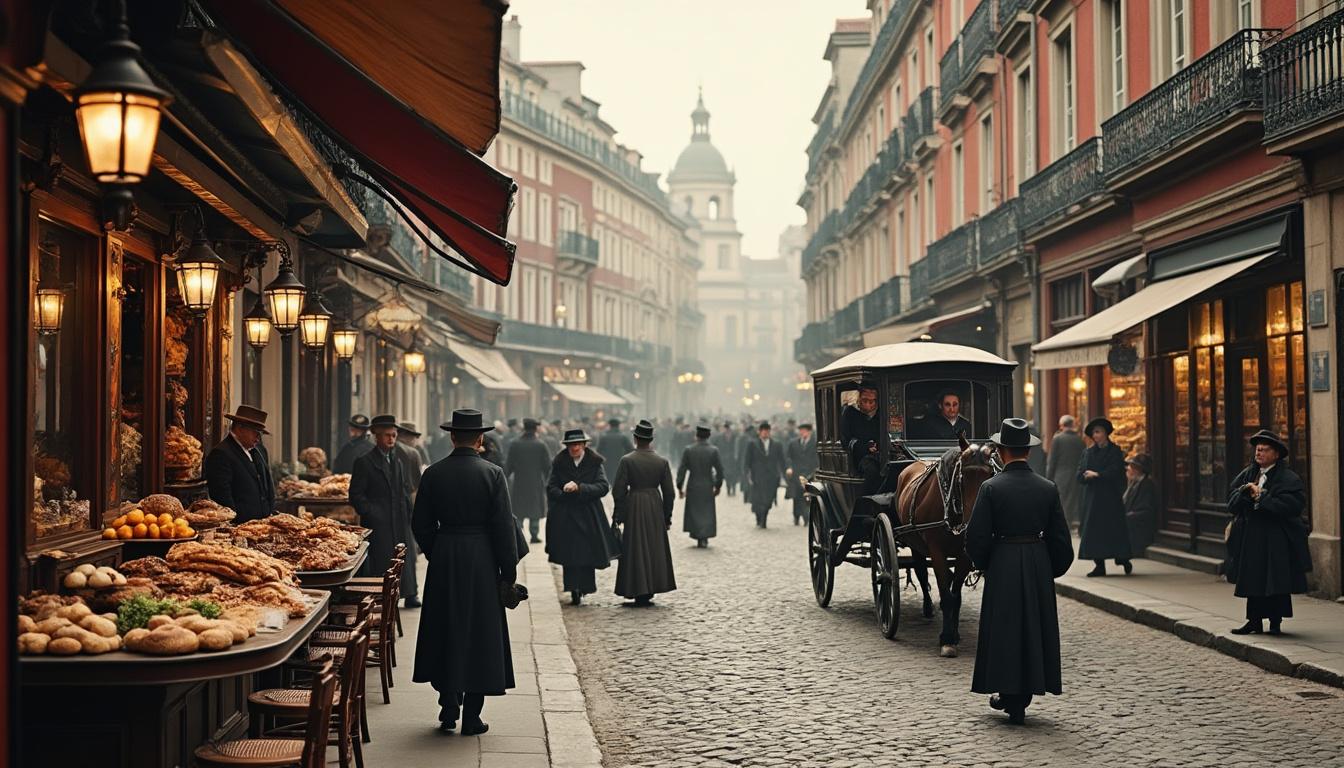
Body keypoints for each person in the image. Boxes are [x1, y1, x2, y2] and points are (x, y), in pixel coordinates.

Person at [411, 409, 519, 735]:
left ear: (453, 437)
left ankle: (448, 706)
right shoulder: (493, 474)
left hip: (446, 556)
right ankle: (472, 716)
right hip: (482, 559)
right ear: (481, 439)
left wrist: (438, 550)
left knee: (445, 628)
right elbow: (503, 527)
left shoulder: (434, 473)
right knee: (479, 634)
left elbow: (420, 524)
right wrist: (508, 572)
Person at [965, 418, 1074, 726]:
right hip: (1037, 559)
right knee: (1033, 627)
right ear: (1028, 450)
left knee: (1004, 628)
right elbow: (1061, 540)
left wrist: (986, 563)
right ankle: (1024, 692)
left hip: (1003, 559)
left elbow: (976, 537)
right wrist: (1049, 568)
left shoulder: (990, 488)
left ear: (1001, 451)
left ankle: (1008, 692)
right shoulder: (1047, 488)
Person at [1225, 430, 1310, 636]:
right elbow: (1232, 501)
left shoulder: (1288, 478)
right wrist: (1246, 493)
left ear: (1276, 454)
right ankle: (1253, 621)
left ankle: (1275, 621)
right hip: (1251, 536)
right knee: (1253, 577)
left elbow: (1292, 506)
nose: (1259, 452)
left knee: (1275, 579)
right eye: (1257, 449)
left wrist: (1261, 498)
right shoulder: (1248, 474)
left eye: (1264, 449)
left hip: (1275, 537)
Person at [545, 429, 619, 606]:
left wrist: (580, 488)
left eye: (578, 444)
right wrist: (563, 493)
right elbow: (551, 487)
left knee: (587, 550)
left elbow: (603, 487)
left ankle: (585, 586)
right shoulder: (559, 462)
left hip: (588, 514)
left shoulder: (594, 463)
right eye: (571, 445)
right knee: (569, 551)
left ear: (584, 445)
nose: (574, 448)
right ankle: (572, 588)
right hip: (566, 514)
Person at [613, 420, 677, 604]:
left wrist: (619, 514)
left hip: (634, 504)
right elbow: (669, 493)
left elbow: (618, 491)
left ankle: (638, 587)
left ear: (635, 439)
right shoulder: (662, 462)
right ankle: (652, 587)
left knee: (635, 546)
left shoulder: (627, 460)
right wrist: (667, 517)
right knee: (653, 546)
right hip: (654, 505)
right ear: (651, 440)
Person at [350, 415, 412, 580]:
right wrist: (371, 512)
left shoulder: (397, 462)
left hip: (398, 522)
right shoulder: (364, 462)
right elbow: (355, 494)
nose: (391, 439)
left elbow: (403, 490)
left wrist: (407, 512)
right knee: (380, 565)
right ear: (376, 436)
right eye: (387, 435)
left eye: (394, 435)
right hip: (378, 525)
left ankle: (399, 592)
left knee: (399, 565)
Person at [1077, 417, 1132, 576]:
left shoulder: (1115, 451)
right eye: (1094, 433)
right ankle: (1099, 565)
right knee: (1095, 532)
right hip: (1093, 499)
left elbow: (1116, 471)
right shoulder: (1088, 453)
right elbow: (1079, 473)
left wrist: (1098, 475)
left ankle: (1122, 559)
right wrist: (1085, 476)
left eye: (1098, 432)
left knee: (1114, 530)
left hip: (1110, 498)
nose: (1096, 435)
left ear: (1106, 433)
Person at [205, 405, 276, 524]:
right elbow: (222, 498)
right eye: (255, 432)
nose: (258, 438)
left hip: (264, 524)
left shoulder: (259, 450)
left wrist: (270, 514)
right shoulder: (221, 453)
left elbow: (267, 486)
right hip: (240, 527)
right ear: (240, 428)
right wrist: (236, 525)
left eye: (260, 433)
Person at [394, 422, 425, 607]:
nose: (416, 440)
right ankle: (411, 593)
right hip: (406, 506)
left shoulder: (391, 450)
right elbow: (417, 486)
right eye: (414, 437)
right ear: (407, 436)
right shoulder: (412, 453)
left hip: (388, 508)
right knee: (409, 551)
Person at [506, 418, 551, 544]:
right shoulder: (540, 444)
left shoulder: (515, 444)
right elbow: (547, 467)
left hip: (519, 481)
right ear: (535, 429)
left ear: (524, 428)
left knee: (519, 508)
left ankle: (519, 534)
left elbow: (509, 465)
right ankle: (534, 534)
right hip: (535, 482)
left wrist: (505, 478)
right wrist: (549, 482)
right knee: (534, 508)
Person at [677, 425, 724, 548]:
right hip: (707, 485)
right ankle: (704, 536)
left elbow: (682, 470)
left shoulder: (689, 450)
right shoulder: (713, 451)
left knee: (695, 512)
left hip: (693, 485)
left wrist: (680, 486)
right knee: (706, 512)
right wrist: (718, 486)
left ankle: (698, 536)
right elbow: (720, 471)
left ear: (696, 436)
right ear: (708, 436)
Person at [743, 421, 786, 528]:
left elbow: (782, 460)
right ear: (759, 432)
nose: (765, 433)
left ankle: (764, 519)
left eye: (767, 431)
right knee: (758, 500)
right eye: (763, 431)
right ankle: (759, 518)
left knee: (768, 499)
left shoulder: (777, 444)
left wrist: (785, 473)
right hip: (757, 476)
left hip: (772, 476)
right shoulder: (752, 444)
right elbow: (747, 460)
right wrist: (747, 473)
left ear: (770, 432)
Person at [1046, 415, 1085, 529]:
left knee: (1061, 501)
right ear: (1072, 425)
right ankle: (1072, 523)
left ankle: (1064, 525)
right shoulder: (1079, 440)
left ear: (1062, 425)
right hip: (1075, 475)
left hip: (1060, 476)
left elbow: (1052, 461)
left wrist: (1048, 478)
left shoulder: (1057, 439)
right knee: (1072, 501)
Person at [840, 387, 882, 492]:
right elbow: (846, 440)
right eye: (865, 400)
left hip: (882, 454)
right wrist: (865, 447)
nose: (868, 405)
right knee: (872, 471)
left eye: (871, 401)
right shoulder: (850, 412)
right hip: (861, 457)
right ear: (859, 399)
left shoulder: (881, 413)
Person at [1123, 454, 1159, 557]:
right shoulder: (1134, 483)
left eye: (1130, 467)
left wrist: (1128, 515)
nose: (1127, 469)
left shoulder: (1147, 485)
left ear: (1137, 470)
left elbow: (1146, 510)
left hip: (1141, 525)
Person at [785, 422, 818, 526]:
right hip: (796, 474)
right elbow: (788, 457)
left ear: (809, 432)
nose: (802, 433)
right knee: (796, 497)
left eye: (804, 431)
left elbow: (817, 458)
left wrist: (815, 471)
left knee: (807, 497)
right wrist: (789, 467)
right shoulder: (793, 443)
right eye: (801, 431)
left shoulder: (815, 443)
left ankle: (806, 518)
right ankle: (796, 517)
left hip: (810, 474)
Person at [596, 418, 635, 485]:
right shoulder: (623, 437)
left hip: (607, 464)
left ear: (610, 426)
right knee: (618, 482)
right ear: (618, 426)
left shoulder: (603, 437)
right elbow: (631, 450)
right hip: (620, 463)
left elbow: (598, 451)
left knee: (608, 482)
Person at [710, 422, 739, 496]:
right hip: (724, 459)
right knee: (727, 475)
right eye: (726, 429)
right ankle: (728, 490)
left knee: (733, 475)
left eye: (728, 429)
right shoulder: (720, 437)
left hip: (733, 459)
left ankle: (734, 489)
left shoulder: (735, 437)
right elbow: (715, 446)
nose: (727, 430)